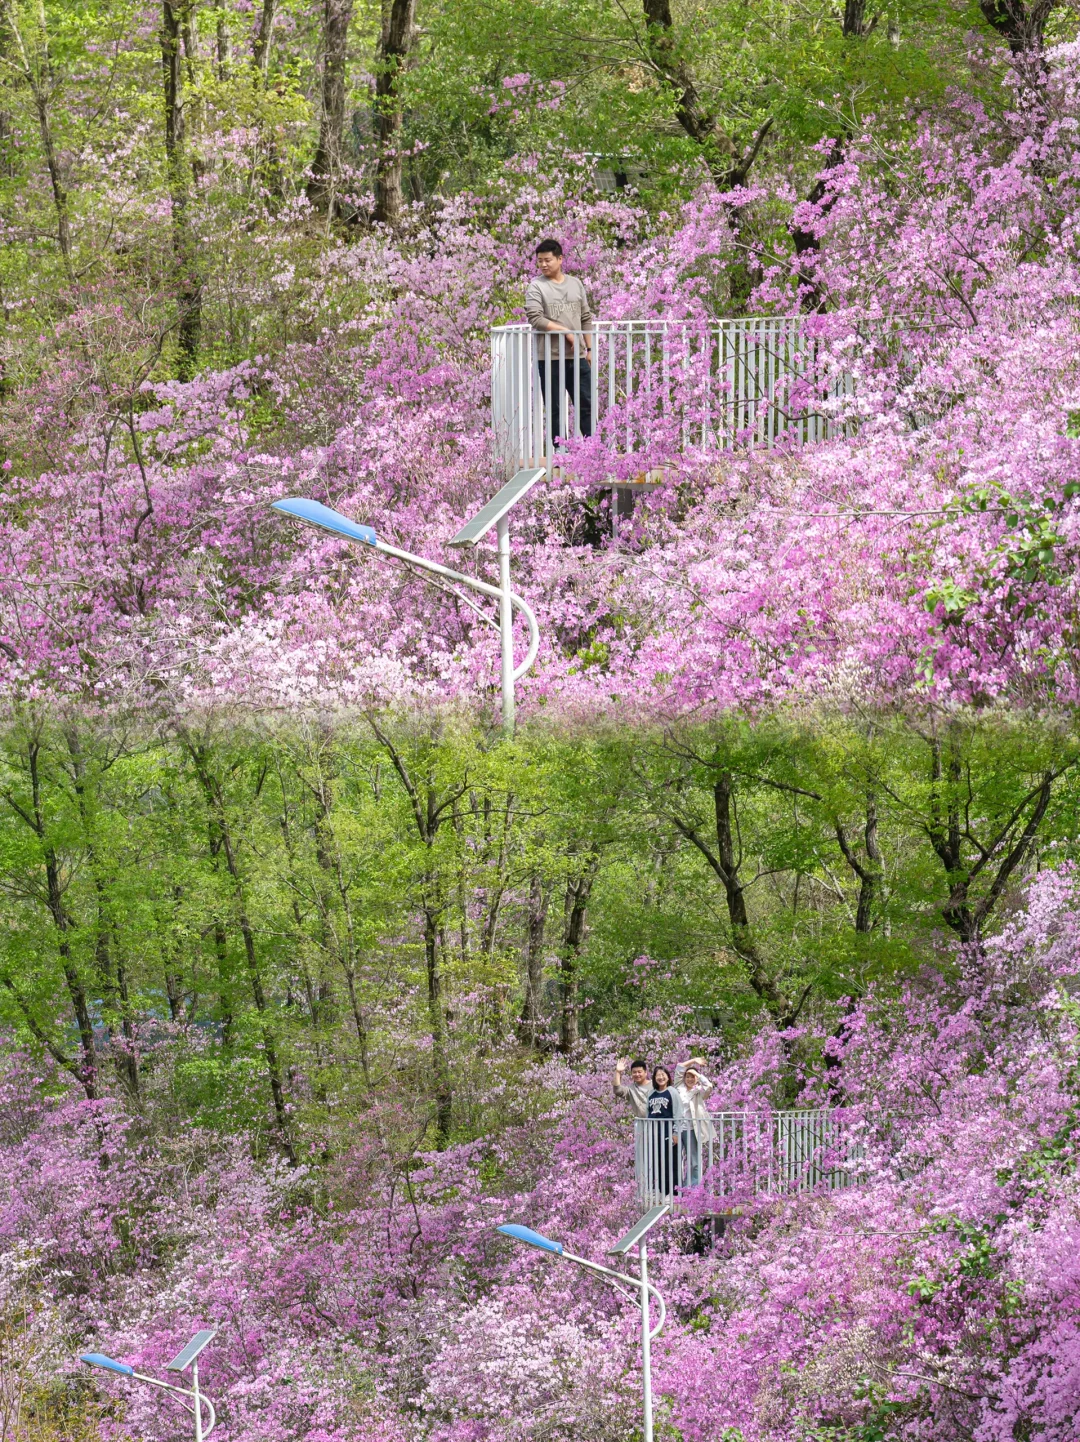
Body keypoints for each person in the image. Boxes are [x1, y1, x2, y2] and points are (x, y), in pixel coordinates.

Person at [525, 239, 594, 446]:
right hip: (550, 357)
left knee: (586, 404)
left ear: (560, 259)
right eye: (539, 261)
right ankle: (558, 452)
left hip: (577, 356)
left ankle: (594, 450)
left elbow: (585, 317)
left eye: (547, 260)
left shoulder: (575, 284)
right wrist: (566, 331)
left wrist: (589, 348)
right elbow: (535, 318)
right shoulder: (536, 286)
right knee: (554, 407)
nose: (543, 265)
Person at [645, 1065, 685, 1198]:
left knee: (671, 1161)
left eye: (663, 1074)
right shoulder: (651, 1094)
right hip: (654, 1133)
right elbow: (648, 1113)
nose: (661, 1077)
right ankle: (660, 1189)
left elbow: (678, 1113)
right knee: (657, 1161)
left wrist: (676, 1133)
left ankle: (673, 1192)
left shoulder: (672, 1092)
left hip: (668, 1132)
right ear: (654, 1078)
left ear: (668, 1076)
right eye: (658, 1075)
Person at [674, 1057, 716, 1187]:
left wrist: (697, 1074)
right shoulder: (678, 1088)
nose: (690, 1079)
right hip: (676, 1128)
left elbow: (709, 1086)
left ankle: (692, 1187)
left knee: (694, 1160)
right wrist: (693, 1061)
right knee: (675, 1159)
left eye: (693, 1077)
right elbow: (680, 1067)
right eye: (688, 1076)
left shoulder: (698, 1092)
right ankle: (676, 1187)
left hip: (691, 1129)